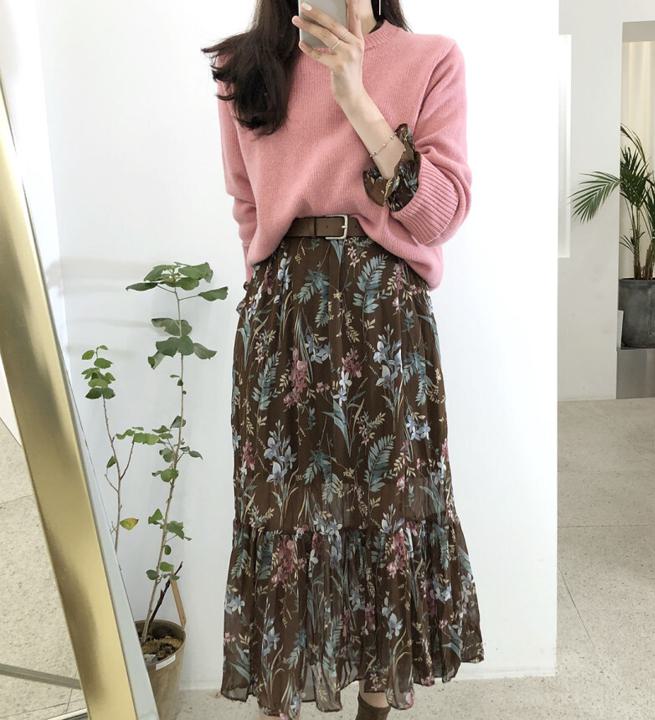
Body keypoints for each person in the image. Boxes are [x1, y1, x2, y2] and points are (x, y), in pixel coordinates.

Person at [202, 1, 484, 717]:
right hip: (282, 328)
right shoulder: (243, 68)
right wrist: (276, 299)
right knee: (283, 520)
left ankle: (374, 708)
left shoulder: (430, 60)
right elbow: (247, 206)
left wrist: (355, 95)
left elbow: (441, 215)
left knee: (386, 518)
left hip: (385, 324)